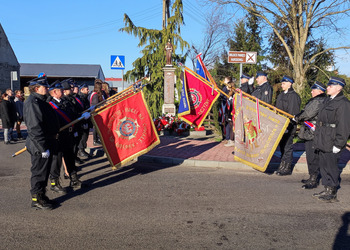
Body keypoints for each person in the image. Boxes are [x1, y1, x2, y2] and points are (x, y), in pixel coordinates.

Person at [24, 76, 60, 210]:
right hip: (40, 144)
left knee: (44, 172)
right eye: (45, 86)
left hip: (47, 141)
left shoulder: (41, 101)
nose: (47, 88)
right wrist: (43, 147)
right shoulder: (33, 102)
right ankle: (36, 199)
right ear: (36, 88)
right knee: (39, 172)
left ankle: (42, 195)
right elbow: (34, 127)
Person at [312, 76, 350, 203]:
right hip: (323, 137)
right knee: (323, 164)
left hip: (332, 138)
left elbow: (344, 126)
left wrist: (339, 144)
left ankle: (332, 191)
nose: (327, 87)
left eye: (331, 86)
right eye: (328, 85)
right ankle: (326, 188)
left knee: (331, 166)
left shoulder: (343, 103)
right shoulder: (328, 101)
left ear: (339, 88)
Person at [48, 81, 86, 191]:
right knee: (57, 161)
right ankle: (54, 183)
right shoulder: (50, 105)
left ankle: (74, 179)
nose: (63, 91)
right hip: (58, 137)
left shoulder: (65, 101)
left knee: (70, 157)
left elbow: (72, 115)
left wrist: (81, 116)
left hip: (68, 135)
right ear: (54, 92)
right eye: (60, 90)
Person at [294, 81, 327, 189]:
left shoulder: (317, 101)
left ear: (319, 91)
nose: (311, 92)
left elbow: (308, 113)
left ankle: (313, 179)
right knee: (311, 156)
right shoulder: (319, 100)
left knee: (312, 156)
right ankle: (312, 176)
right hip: (312, 132)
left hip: (312, 133)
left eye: (313, 90)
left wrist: (297, 117)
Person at [275, 76, 301, 176]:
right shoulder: (281, 95)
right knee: (282, 146)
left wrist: (287, 126)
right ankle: (282, 164)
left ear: (290, 84)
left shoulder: (293, 96)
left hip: (288, 125)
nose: (282, 85)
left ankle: (287, 167)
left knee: (287, 147)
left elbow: (293, 113)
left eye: (284, 83)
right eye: (282, 84)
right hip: (280, 124)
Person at [77, 83, 92, 159]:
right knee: (83, 136)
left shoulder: (85, 97)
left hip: (86, 120)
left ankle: (82, 149)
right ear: (82, 90)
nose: (88, 90)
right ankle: (80, 150)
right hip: (82, 121)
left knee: (85, 135)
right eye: (87, 89)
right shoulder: (80, 98)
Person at [89, 79, 104, 146]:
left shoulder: (95, 94)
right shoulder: (95, 95)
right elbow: (95, 105)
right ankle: (95, 140)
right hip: (95, 113)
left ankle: (97, 139)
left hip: (97, 113)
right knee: (95, 127)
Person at [222, 76, 235, 147]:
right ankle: (229, 138)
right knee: (228, 124)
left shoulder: (233, 93)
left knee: (231, 125)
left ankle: (231, 140)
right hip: (228, 110)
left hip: (232, 111)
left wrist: (230, 100)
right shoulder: (227, 91)